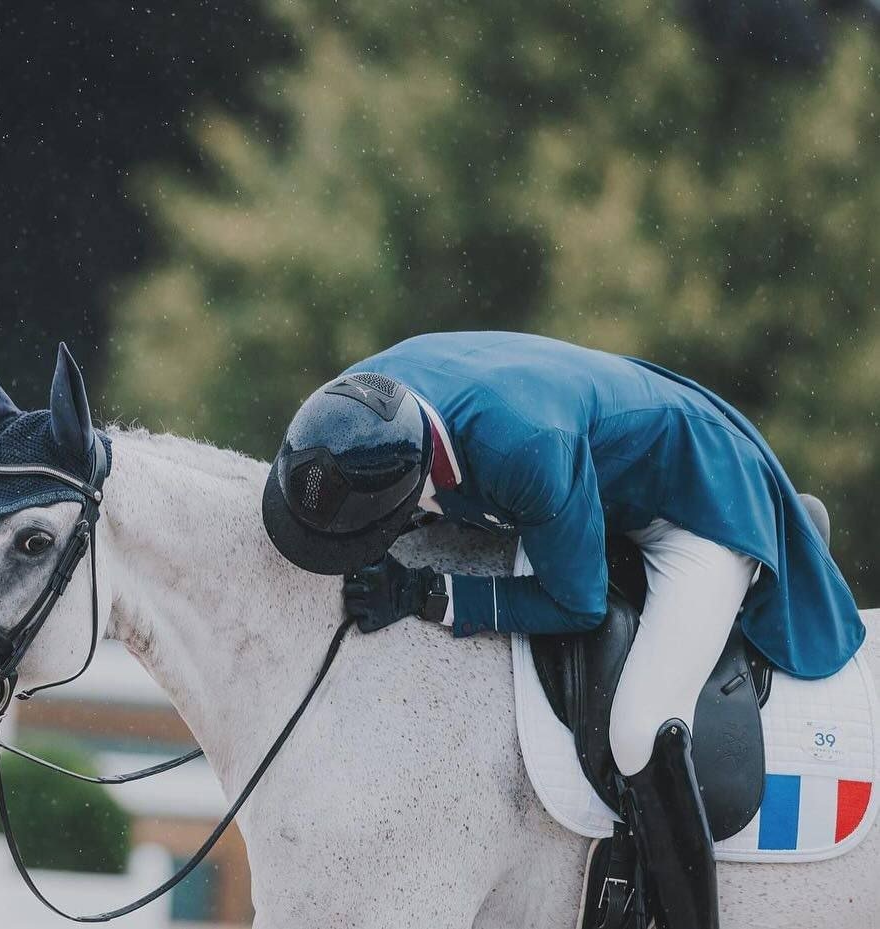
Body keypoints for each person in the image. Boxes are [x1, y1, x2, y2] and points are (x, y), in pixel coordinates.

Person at [261, 331, 863, 929]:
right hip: (597, 468)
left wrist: (431, 594)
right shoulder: (364, 406)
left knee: (639, 727)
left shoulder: (525, 450)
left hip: (702, 503)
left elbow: (579, 605)